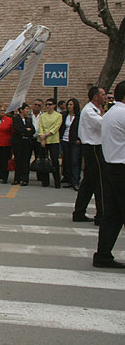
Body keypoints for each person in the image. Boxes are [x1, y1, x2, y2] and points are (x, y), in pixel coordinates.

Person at [93, 81, 125, 268]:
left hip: (111, 166)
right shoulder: (122, 113)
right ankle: (103, 255)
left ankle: (103, 255)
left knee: (112, 215)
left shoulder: (111, 113)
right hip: (121, 167)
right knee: (113, 214)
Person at [73, 86, 107, 223]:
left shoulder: (97, 110)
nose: (105, 97)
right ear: (95, 97)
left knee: (89, 182)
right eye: (103, 95)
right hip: (92, 147)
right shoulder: (89, 110)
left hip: (96, 147)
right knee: (99, 181)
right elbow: (103, 124)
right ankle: (101, 215)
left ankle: (79, 212)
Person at [38, 98, 63, 188]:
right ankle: (45, 181)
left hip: (53, 140)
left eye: (49, 104)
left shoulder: (58, 116)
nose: (48, 106)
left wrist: (46, 134)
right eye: (46, 104)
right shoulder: (42, 116)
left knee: (54, 160)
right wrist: (42, 138)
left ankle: (57, 181)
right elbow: (40, 126)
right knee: (44, 160)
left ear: (54, 105)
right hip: (43, 140)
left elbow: (56, 127)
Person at [60, 98, 81, 191]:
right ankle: (68, 179)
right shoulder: (64, 115)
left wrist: (79, 139)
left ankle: (75, 181)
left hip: (74, 141)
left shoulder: (79, 116)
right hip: (65, 140)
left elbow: (82, 128)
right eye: (68, 104)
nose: (69, 106)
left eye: (71, 105)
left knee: (75, 161)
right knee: (67, 161)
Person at [11, 103, 34, 186]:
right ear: (21, 110)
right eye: (26, 109)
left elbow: (32, 130)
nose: (27, 111)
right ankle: (17, 178)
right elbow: (18, 129)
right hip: (18, 143)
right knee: (18, 161)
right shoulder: (16, 119)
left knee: (26, 161)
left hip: (27, 143)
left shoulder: (29, 119)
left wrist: (27, 131)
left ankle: (25, 179)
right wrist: (26, 130)